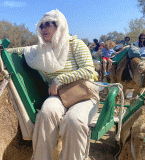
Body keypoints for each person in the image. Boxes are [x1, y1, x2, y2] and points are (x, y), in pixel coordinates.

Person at [7, 9, 99, 160]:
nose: (43, 29)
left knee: (74, 121)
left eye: (48, 24)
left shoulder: (75, 44)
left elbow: (88, 70)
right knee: (46, 114)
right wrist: (0, 53)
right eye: (41, 26)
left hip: (83, 95)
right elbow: (20, 51)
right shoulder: (42, 49)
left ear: (60, 26)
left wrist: (59, 80)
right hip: (59, 95)